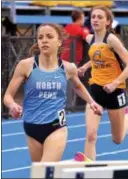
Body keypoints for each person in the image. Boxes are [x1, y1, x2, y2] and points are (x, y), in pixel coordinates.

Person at [3, 23, 102, 162]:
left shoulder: (68, 68)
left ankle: (75, 164)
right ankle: (77, 165)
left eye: (49, 37)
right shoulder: (25, 65)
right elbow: (7, 96)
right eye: (40, 37)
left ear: (59, 41)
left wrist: (91, 102)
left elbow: (78, 86)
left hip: (56, 126)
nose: (44, 40)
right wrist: (13, 105)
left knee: (45, 170)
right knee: (40, 174)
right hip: (31, 126)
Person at [74, 5, 128, 162]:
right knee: (91, 135)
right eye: (93, 17)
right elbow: (97, 59)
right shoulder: (90, 39)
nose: (95, 20)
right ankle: (88, 167)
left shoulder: (112, 40)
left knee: (118, 139)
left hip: (114, 92)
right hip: (95, 91)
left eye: (100, 17)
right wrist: (85, 67)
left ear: (108, 22)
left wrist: (115, 83)